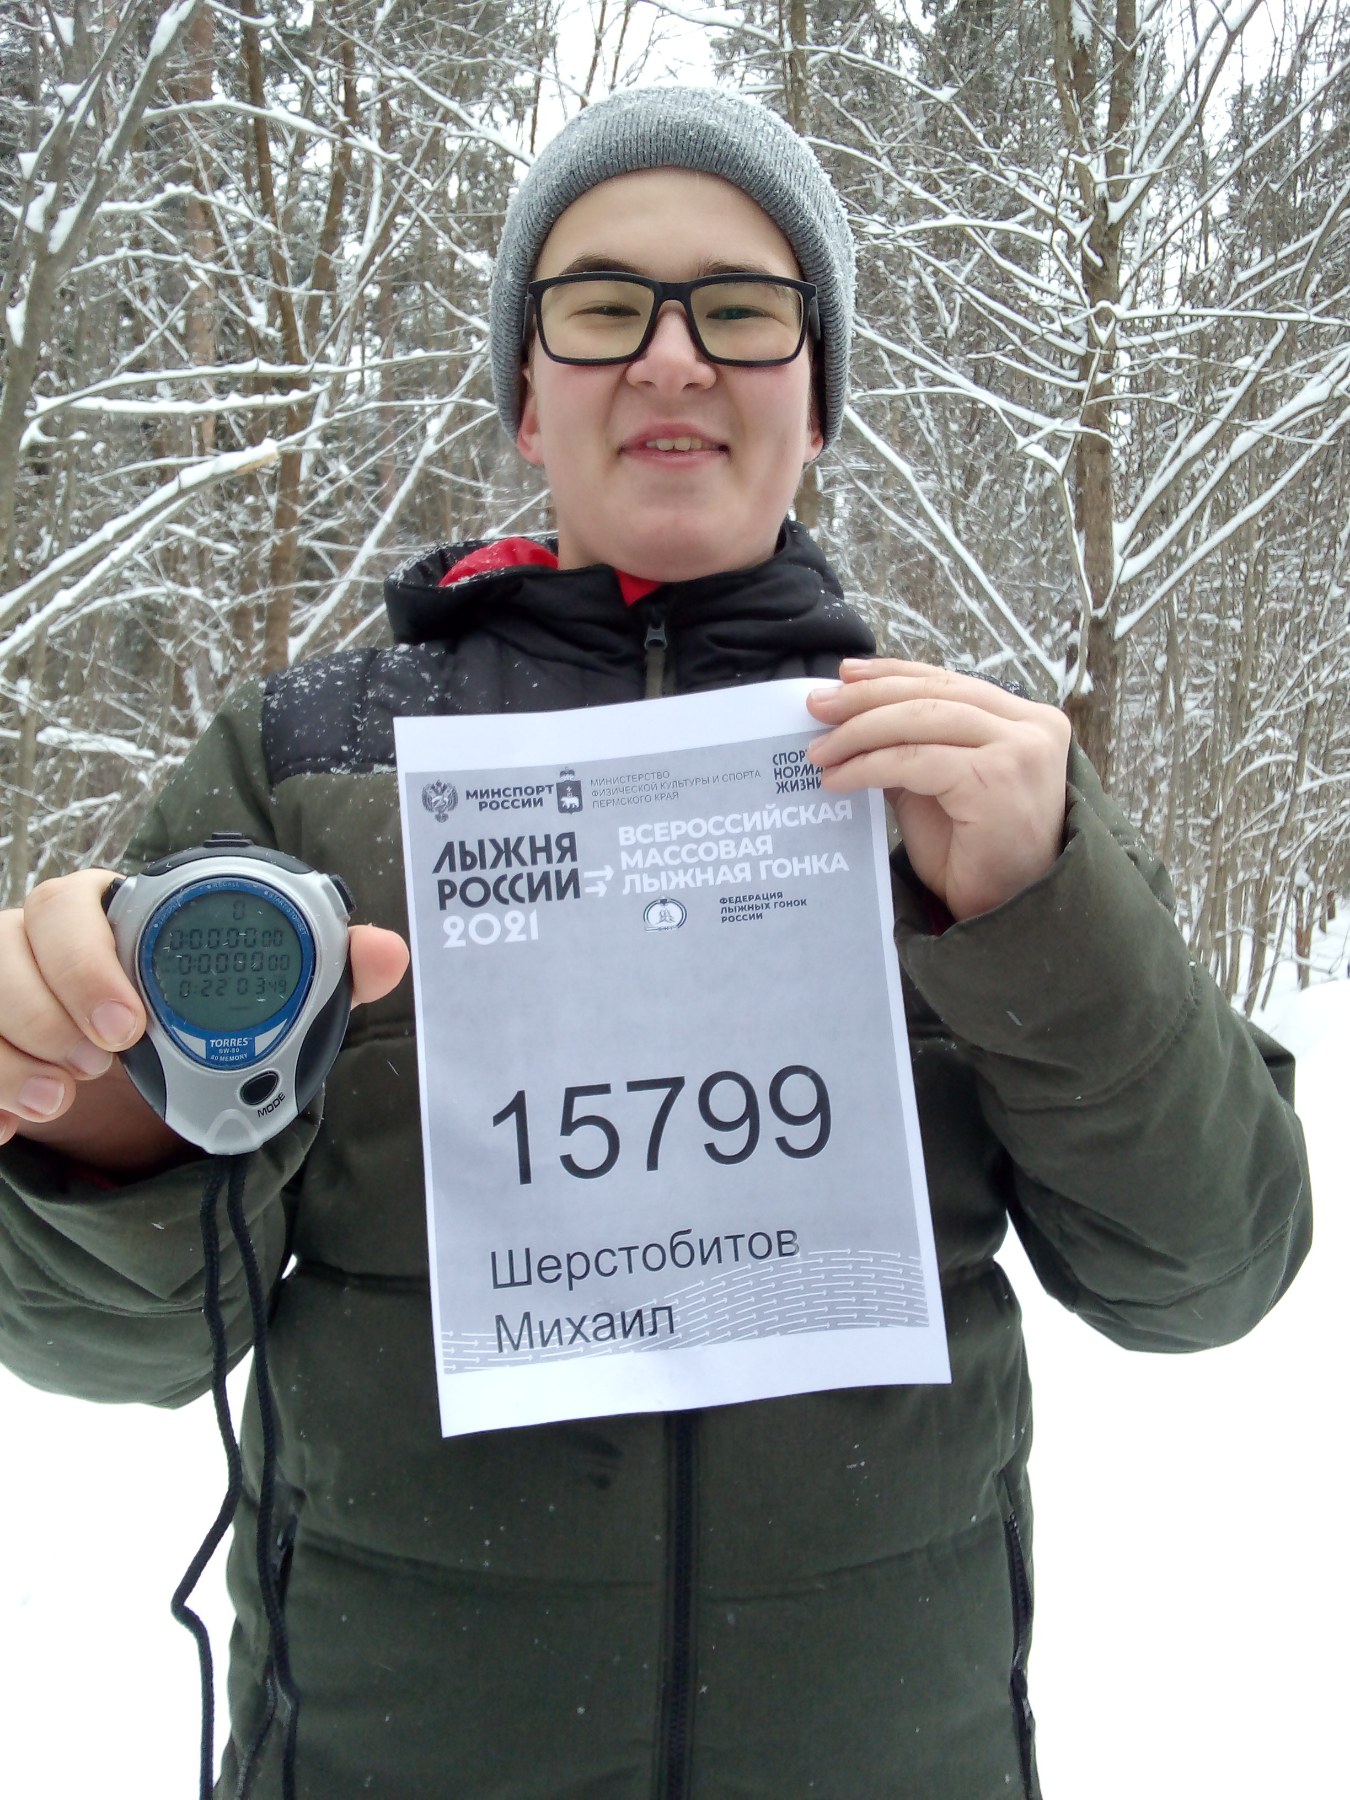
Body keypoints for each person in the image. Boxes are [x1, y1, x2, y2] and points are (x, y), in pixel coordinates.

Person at [0, 87, 1311, 1800]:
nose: (671, 358)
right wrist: (101, 1109)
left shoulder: (968, 780)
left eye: (740, 310)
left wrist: (1040, 908)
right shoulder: (305, 771)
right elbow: (106, 1339)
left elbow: (1205, 1276)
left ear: (815, 399)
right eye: (604, 306)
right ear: (525, 394)